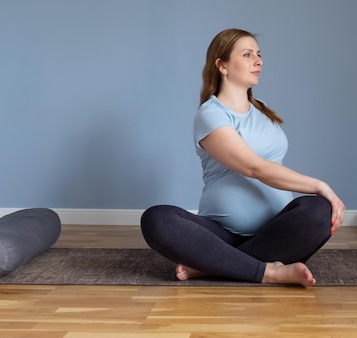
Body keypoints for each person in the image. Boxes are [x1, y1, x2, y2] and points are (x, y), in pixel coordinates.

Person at [140, 28, 345, 287]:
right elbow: (254, 167)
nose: (258, 61)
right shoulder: (211, 115)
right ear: (222, 65)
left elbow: (272, 165)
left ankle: (213, 267)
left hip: (276, 231)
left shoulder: (262, 109)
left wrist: (320, 196)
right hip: (219, 235)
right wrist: (320, 185)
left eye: (258, 55)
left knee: (319, 210)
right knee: (156, 219)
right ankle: (267, 272)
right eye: (247, 55)